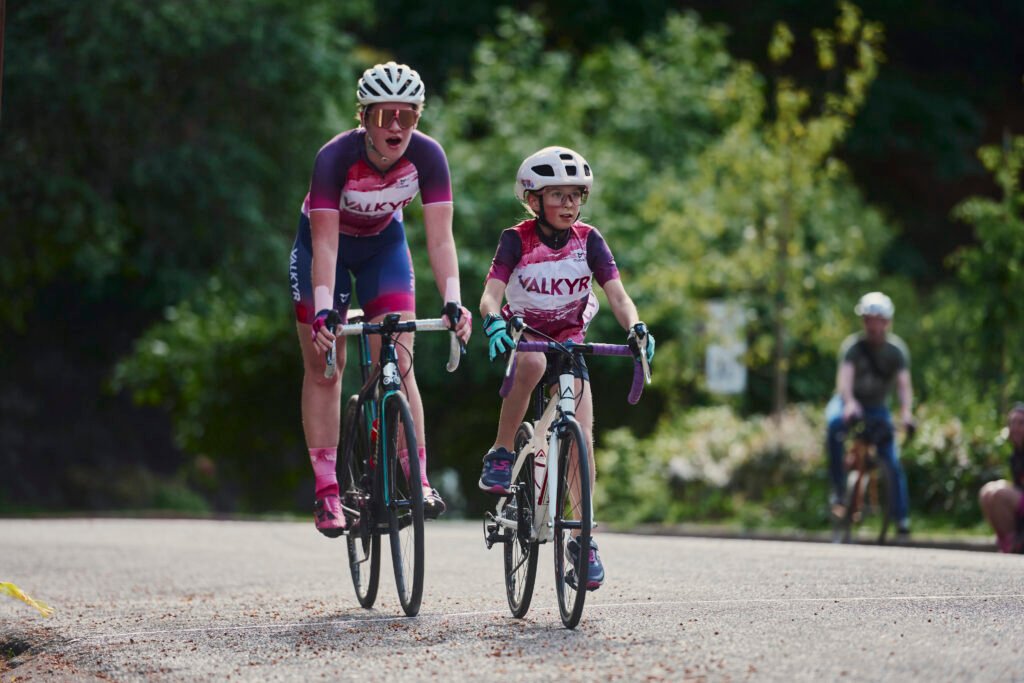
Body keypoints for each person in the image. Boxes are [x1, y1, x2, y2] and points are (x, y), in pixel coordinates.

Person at [289, 61, 472, 537]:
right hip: (325, 249)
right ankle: (327, 490)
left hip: (382, 249)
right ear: (364, 117)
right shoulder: (335, 158)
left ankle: (418, 478)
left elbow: (440, 240)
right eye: (384, 115)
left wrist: (454, 301)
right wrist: (325, 311)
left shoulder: (428, 156)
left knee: (401, 362)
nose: (395, 126)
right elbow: (325, 244)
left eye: (406, 116)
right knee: (325, 365)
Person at [475, 146, 655, 590]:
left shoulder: (589, 240)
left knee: (583, 438)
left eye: (576, 195)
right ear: (533, 199)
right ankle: (501, 451)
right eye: (558, 195)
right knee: (533, 361)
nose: (569, 203)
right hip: (528, 334)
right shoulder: (516, 239)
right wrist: (492, 320)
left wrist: (636, 328)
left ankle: (582, 540)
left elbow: (618, 296)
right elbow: (490, 295)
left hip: (571, 340)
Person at [825, 291, 915, 537]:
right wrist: (849, 402)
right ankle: (838, 488)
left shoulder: (896, 351)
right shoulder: (853, 347)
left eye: (877, 321)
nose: (872, 326)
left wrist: (906, 412)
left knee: (891, 460)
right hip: (849, 402)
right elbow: (844, 380)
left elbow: (904, 386)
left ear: (887, 322)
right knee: (834, 424)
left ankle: (901, 518)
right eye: (867, 320)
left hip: (877, 407)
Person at [978, 403, 1024, 553]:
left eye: (1021, 423)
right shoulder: (1016, 456)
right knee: (987, 492)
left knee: (1000, 494)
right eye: (1012, 423)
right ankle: (1006, 541)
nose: (1015, 428)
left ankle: (1017, 543)